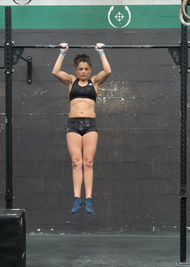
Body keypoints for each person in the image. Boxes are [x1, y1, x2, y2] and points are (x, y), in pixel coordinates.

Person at [52, 42, 111, 214]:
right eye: (80, 69)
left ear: (90, 69)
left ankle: (89, 199)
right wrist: (62, 52)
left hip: (90, 125)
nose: (83, 71)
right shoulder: (71, 81)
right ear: (76, 70)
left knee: (88, 163)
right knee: (76, 162)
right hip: (74, 125)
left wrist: (101, 51)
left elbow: (107, 70)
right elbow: (55, 71)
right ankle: (77, 198)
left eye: (86, 69)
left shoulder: (95, 82)